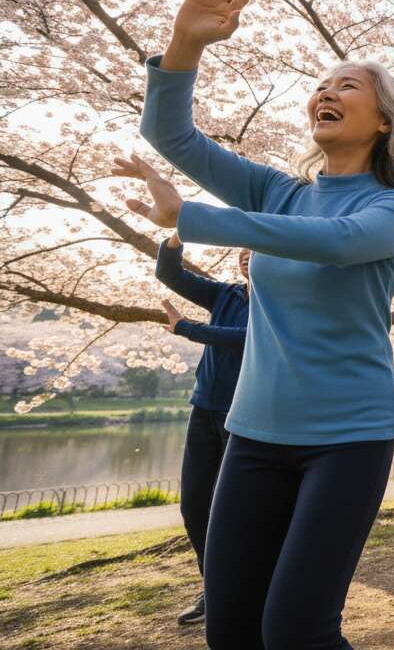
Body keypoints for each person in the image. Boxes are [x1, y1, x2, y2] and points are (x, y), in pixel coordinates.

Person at [119, 0, 394, 650]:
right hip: (253, 434)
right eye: (322, 86)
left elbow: (332, 243)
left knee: (297, 631)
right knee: (233, 631)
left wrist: (194, 219)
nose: (326, 92)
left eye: (347, 86)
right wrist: (186, 44)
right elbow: (174, 139)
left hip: (347, 437)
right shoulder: (278, 190)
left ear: (384, 120)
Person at [155, 234, 250, 626]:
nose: (248, 258)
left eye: (257, 253)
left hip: (244, 414)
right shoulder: (225, 294)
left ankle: (240, 590)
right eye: (244, 253)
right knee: (194, 504)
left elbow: (248, 339)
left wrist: (187, 329)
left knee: (238, 510)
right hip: (203, 407)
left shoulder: (282, 301)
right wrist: (178, 234)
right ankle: (214, 587)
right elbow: (169, 272)